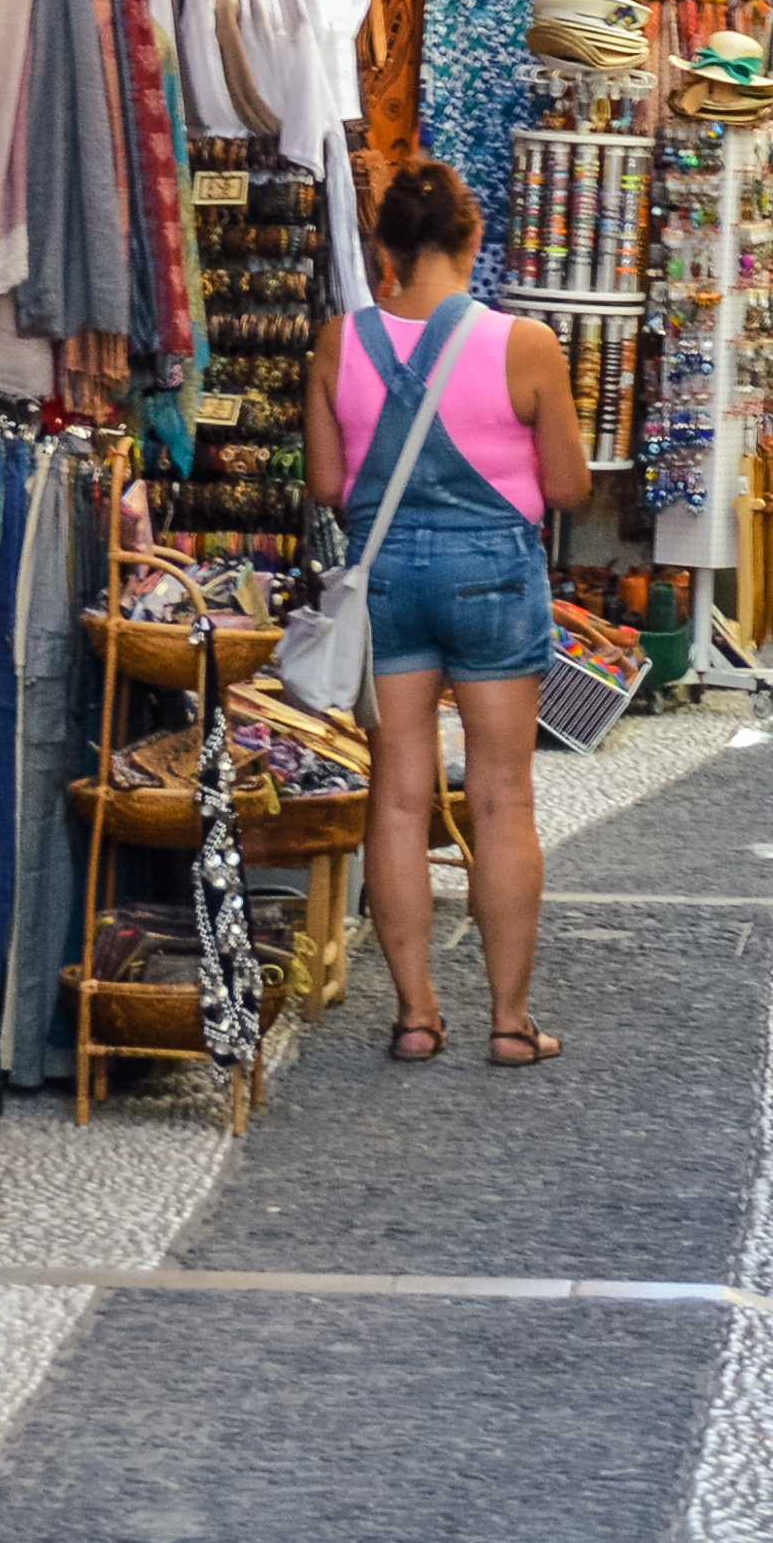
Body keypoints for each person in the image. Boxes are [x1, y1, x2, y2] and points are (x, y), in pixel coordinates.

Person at [328, 154, 596, 1068]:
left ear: (385, 248)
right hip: (492, 574)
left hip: (389, 578)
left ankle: (413, 1015)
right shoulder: (525, 345)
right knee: (501, 795)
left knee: (398, 796)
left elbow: (332, 484)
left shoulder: (339, 343)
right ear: (474, 239)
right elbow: (566, 485)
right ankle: (511, 1022)